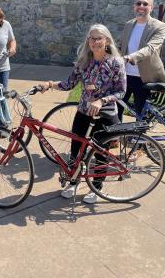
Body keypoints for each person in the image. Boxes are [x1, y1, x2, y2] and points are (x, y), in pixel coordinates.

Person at [39, 24, 126, 204]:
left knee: (101, 153)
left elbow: (121, 92)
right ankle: (73, 182)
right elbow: (69, 83)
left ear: (106, 40)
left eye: (99, 38)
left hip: (105, 114)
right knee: (75, 150)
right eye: (91, 38)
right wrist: (49, 84)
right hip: (84, 112)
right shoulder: (84, 62)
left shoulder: (116, 63)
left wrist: (101, 101)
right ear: (88, 41)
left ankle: (97, 188)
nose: (95, 42)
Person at [117, 0, 165, 121]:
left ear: (151, 7)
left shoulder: (159, 26)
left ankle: (140, 141)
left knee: (140, 114)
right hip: (124, 75)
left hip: (144, 77)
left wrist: (129, 58)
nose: (141, 6)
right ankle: (114, 139)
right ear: (134, 7)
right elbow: (120, 46)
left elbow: (150, 48)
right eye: (138, 3)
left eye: (145, 4)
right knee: (116, 109)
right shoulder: (129, 24)